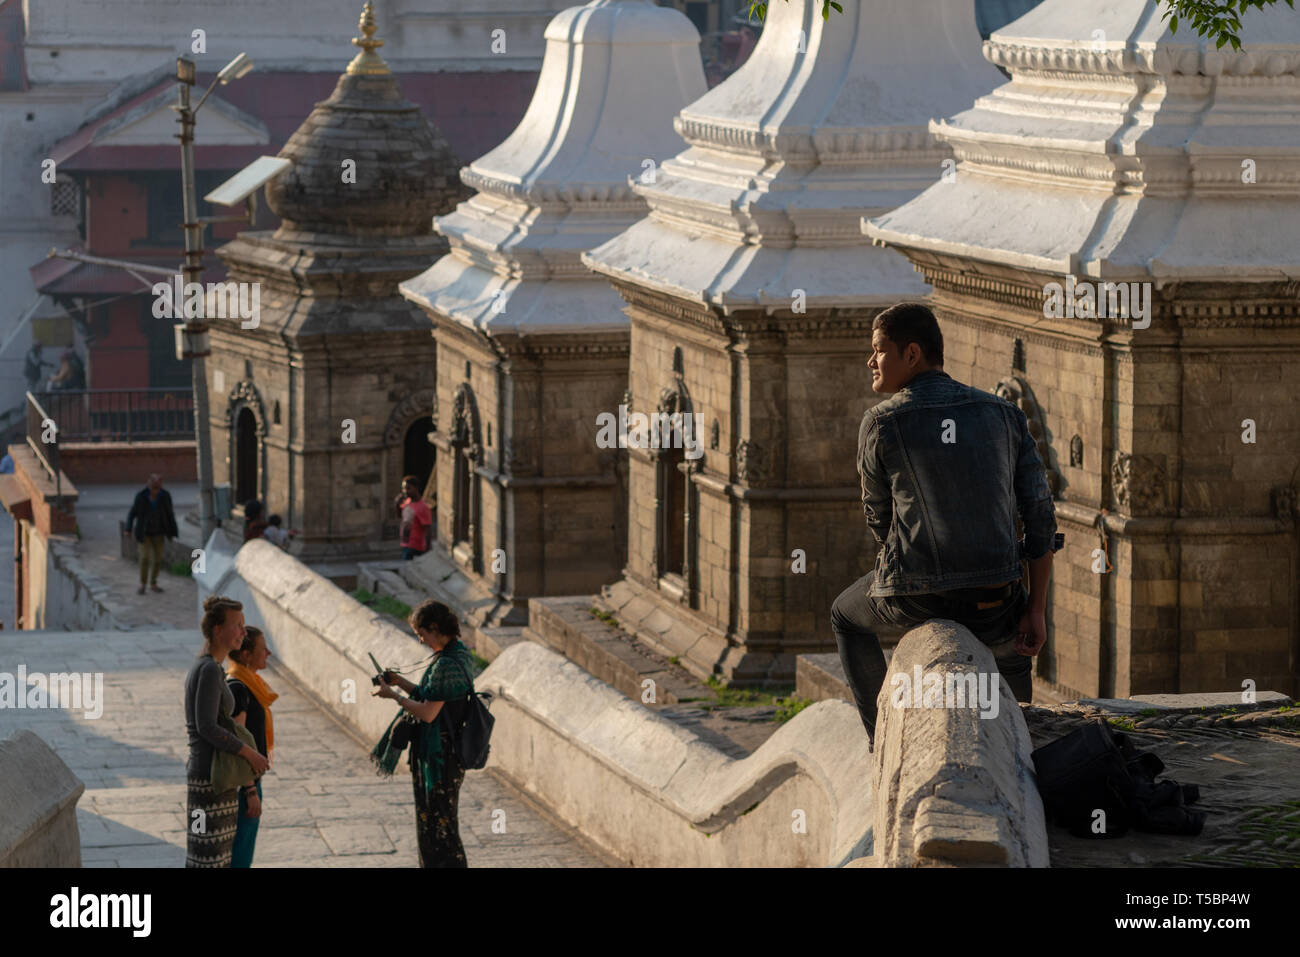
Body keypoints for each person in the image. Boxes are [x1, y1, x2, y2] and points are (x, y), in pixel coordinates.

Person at [832, 302, 1060, 751]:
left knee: (845, 616)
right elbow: (1040, 520)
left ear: (911, 354)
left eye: (879, 350)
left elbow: (879, 518)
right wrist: (1035, 610)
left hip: (916, 598)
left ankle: (882, 740)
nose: (870, 361)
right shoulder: (1005, 415)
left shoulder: (881, 422)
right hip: (994, 597)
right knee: (1012, 656)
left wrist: (907, 568)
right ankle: (1020, 748)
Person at [371, 599, 476, 867]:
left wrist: (393, 696)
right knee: (438, 824)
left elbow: (429, 712)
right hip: (444, 754)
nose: (420, 641)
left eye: (422, 634)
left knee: (440, 830)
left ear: (435, 628)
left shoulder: (446, 665)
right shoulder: (458, 654)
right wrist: (400, 682)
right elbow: (432, 697)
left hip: (440, 758)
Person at [185, 596, 269, 867]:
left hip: (215, 778)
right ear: (218, 630)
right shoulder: (208, 669)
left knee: (214, 859)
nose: (243, 632)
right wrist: (250, 754)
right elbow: (206, 726)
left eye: (244, 626)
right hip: (210, 778)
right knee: (208, 860)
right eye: (237, 625)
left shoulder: (212, 667)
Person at [226, 625, 276, 868]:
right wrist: (250, 791)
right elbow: (239, 741)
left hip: (249, 781)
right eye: (262, 648)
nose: (268, 653)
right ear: (246, 654)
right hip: (245, 784)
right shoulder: (239, 687)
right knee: (240, 853)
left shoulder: (249, 683)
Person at [125, 473, 179, 595]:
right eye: (153, 487)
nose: (155, 490)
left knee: (158, 559)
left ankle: (153, 582)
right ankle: (142, 583)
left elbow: (170, 514)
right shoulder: (141, 496)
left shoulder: (165, 496)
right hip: (144, 533)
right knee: (144, 558)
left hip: (159, 532)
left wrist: (173, 531)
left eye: (157, 487)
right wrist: (128, 528)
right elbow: (132, 513)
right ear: (149, 485)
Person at [396, 476, 431, 560]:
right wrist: (397, 504)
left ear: (416, 488)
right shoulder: (406, 502)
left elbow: (428, 529)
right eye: (404, 489)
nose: (405, 491)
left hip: (416, 547)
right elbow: (400, 516)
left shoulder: (423, 507)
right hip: (405, 543)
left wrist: (427, 549)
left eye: (408, 488)